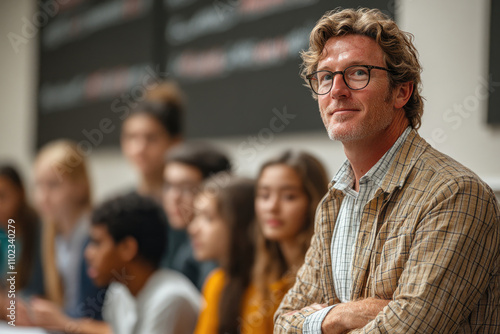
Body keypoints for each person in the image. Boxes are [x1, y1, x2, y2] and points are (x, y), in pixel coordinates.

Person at [274, 7, 500, 334]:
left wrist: (320, 320)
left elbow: (409, 330)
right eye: (325, 77)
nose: (336, 90)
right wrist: (339, 317)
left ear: (401, 91)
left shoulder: (455, 193)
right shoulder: (336, 198)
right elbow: (282, 323)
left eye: (357, 73)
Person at [84, 192, 200, 334]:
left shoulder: (170, 299)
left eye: (97, 243)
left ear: (128, 248)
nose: (88, 253)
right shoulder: (118, 292)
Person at [251, 150, 329, 332]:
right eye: (264, 195)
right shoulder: (261, 273)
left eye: (289, 196)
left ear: (313, 202)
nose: (272, 207)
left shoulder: (326, 275)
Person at [30, 140, 105, 324]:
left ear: (80, 187)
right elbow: (40, 291)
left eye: (53, 185)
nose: (43, 196)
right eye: (39, 185)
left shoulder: (95, 238)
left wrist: (59, 319)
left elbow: (92, 312)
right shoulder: (50, 233)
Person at [189, 176, 257, 334]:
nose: (193, 229)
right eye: (195, 216)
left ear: (240, 224)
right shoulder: (216, 282)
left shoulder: (269, 288)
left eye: (208, 218)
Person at [162, 142, 231, 289]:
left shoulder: (220, 254)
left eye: (186, 188)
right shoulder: (177, 241)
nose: (174, 197)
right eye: (168, 186)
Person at [121, 81, 184, 203]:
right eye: (131, 137)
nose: (139, 148)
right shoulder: (121, 207)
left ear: (175, 142)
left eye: (151, 138)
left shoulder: (188, 203)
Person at [0, 165, 44, 325]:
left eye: (2, 196)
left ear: (20, 193)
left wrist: (8, 305)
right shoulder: (2, 233)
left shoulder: (40, 231)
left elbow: (39, 290)